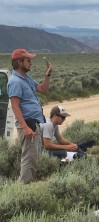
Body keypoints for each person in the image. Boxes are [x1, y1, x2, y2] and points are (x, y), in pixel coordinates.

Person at [7, 49, 53, 184]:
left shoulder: (26, 79)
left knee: (34, 157)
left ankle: (27, 187)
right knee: (29, 158)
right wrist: (25, 127)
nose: (31, 63)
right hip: (28, 125)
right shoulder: (15, 81)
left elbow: (43, 89)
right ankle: (24, 190)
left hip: (34, 124)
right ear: (19, 62)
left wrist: (48, 75)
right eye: (28, 60)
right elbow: (15, 106)